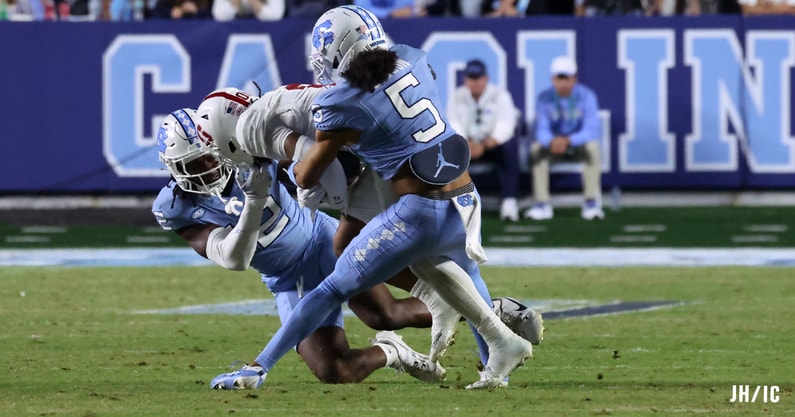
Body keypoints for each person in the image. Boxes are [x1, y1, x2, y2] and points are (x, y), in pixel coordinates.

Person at [241, 5, 535, 390]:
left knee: (333, 283)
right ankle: (493, 357)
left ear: (339, 52)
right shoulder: (414, 57)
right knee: (463, 271)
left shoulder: (341, 103)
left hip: (420, 211)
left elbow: (308, 172)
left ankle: (259, 366)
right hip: (462, 191)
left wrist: (286, 143)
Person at [194, 84, 545, 369]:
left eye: (216, 148)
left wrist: (305, 187)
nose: (219, 158)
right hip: (409, 157)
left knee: (355, 269)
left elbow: (327, 170)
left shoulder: (265, 126)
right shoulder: (277, 108)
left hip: (392, 168)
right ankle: (470, 311)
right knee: (371, 275)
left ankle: (482, 324)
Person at [152, 108, 445, 387]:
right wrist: (254, 202)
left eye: (207, 157)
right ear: (172, 168)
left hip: (323, 242)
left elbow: (301, 154)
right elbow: (234, 258)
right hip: (287, 278)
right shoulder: (176, 207)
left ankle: (479, 311)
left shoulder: (245, 147)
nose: (207, 168)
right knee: (334, 371)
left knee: (386, 315)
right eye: (192, 164)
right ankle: (391, 352)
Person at [525, 55, 604, 221]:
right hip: (553, 147)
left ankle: (591, 202)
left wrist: (569, 140)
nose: (563, 83)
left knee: (592, 148)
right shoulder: (544, 98)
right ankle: (542, 203)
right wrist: (552, 141)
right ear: (552, 79)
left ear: (574, 78)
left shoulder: (586, 96)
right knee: (536, 149)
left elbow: (591, 130)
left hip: (576, 145)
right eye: (559, 78)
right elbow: (541, 130)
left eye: (566, 78)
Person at [447, 59, 521, 222]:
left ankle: (509, 201)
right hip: (467, 145)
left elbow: (506, 125)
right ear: (465, 80)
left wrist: (485, 144)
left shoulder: (500, 95)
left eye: (478, 78)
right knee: (447, 149)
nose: (475, 82)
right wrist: (467, 144)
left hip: (491, 145)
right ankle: (455, 204)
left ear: (486, 78)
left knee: (510, 147)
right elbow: (453, 123)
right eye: (471, 78)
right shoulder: (458, 96)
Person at [211, 0, 284, 21]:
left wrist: (254, 3)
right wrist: (234, 3)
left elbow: (276, 14)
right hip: (234, 28)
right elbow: (218, 15)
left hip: (265, 28)